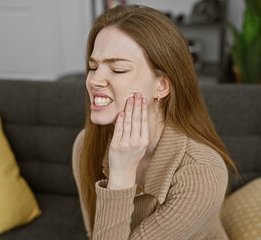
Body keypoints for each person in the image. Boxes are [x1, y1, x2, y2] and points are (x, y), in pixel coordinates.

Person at [72, 5, 238, 240]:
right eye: (93, 66)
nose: (94, 80)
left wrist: (120, 177)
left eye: (118, 69)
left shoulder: (202, 171)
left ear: (161, 86)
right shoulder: (85, 144)